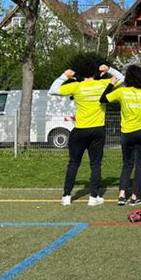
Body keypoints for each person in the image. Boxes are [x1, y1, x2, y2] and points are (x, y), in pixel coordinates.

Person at [49, 53, 124, 206]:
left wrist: (64, 75)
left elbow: (53, 89)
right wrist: (109, 69)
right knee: (95, 164)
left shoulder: (76, 86)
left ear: (80, 72)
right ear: (95, 70)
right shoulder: (103, 84)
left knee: (74, 163)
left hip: (80, 130)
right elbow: (122, 78)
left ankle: (66, 196)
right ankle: (93, 197)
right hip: (97, 130)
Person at [100, 65, 141, 206]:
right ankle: (135, 196)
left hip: (126, 133)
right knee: (140, 165)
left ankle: (122, 195)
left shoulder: (122, 92)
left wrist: (111, 84)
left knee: (127, 164)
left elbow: (103, 100)